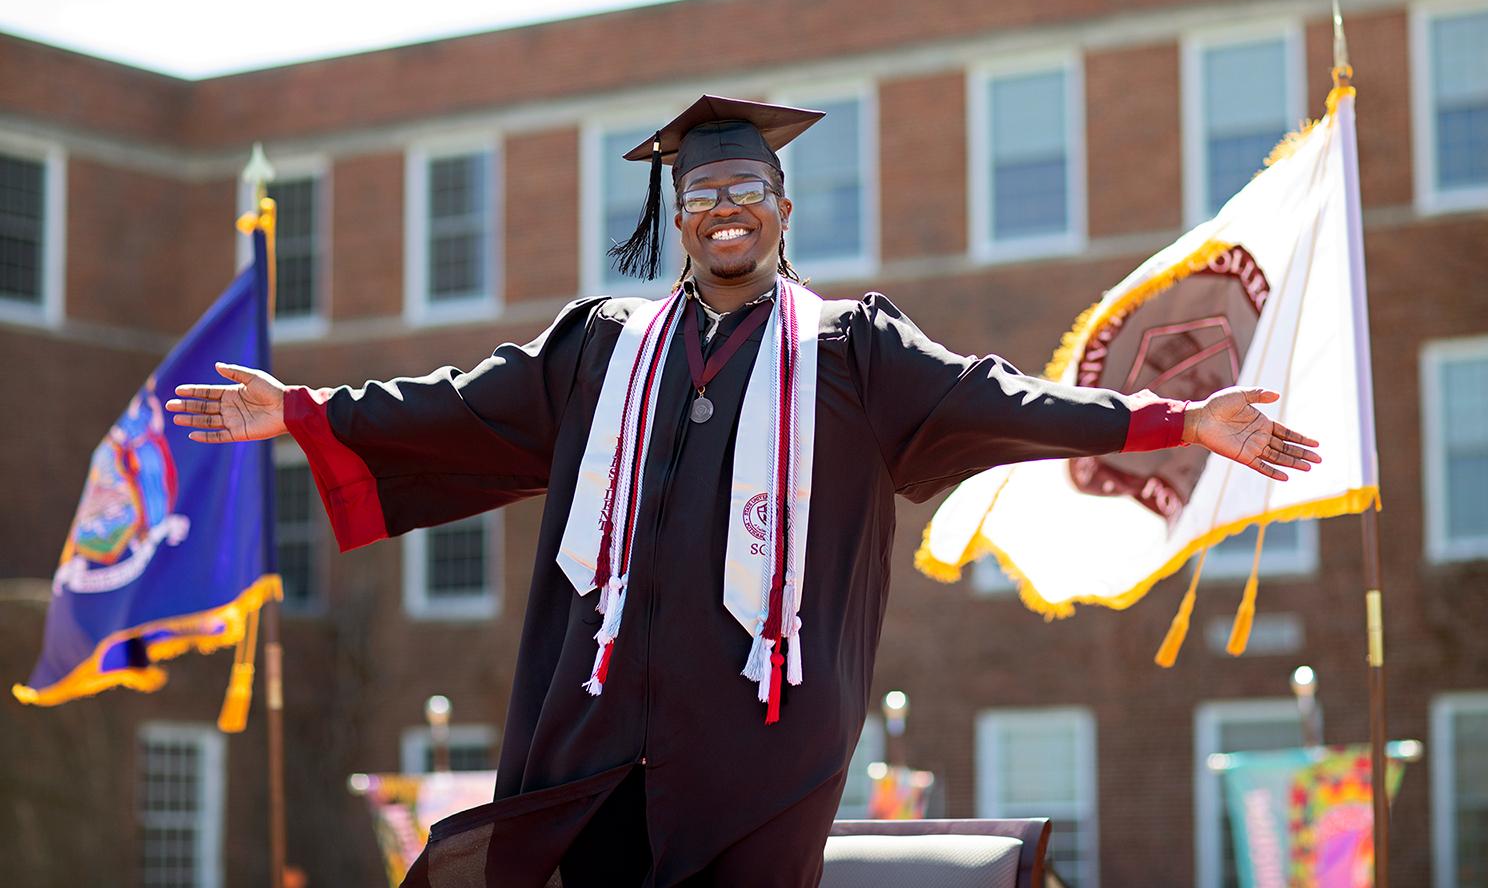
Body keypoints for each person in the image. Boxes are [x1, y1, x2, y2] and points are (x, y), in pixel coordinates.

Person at [166, 96, 1320, 887]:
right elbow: (462, 405)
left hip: (762, 732)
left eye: (748, 188)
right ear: (675, 218)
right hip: (596, 722)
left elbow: (999, 397)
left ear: (781, 209)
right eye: (703, 190)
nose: (726, 207)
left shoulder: (852, 348)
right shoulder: (600, 345)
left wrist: (1179, 417)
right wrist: (306, 409)